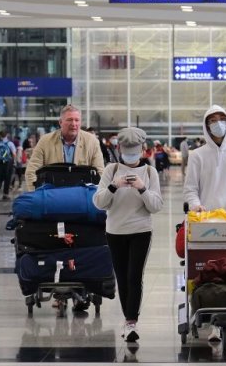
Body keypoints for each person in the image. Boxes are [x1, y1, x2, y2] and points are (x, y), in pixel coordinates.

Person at [183, 105, 226, 343]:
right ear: (205, 125)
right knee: (210, 268)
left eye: (221, 119)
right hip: (208, 221)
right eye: (212, 120)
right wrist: (196, 206)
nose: (217, 124)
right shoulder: (197, 156)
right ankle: (212, 318)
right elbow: (190, 189)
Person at [92, 127, 163, 343]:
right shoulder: (111, 170)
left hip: (141, 231)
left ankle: (132, 321)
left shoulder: (150, 172)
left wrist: (142, 189)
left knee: (134, 276)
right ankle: (127, 318)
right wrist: (114, 186)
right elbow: (98, 202)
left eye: (135, 150)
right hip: (115, 232)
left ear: (143, 149)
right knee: (122, 277)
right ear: (119, 149)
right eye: (126, 150)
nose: (131, 154)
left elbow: (156, 205)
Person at [24, 104, 104, 191]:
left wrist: (94, 198)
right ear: (60, 122)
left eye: (77, 120)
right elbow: (31, 172)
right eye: (69, 120)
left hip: (82, 197)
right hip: (53, 197)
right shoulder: (45, 141)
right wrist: (38, 196)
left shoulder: (92, 141)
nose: (74, 124)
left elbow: (100, 173)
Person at [0, 131, 16, 200]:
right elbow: (14, 154)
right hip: (8, 163)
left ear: (0, 136)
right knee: (7, 178)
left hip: (0, 163)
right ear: (7, 135)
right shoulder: (10, 143)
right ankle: (5, 194)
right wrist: (13, 161)